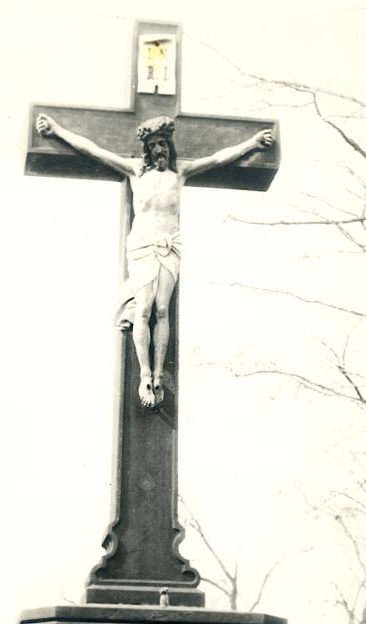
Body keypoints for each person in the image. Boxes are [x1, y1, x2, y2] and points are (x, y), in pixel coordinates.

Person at [36, 112, 274, 408]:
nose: (158, 149)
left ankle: (159, 375)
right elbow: (94, 150)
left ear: (168, 145)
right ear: (147, 149)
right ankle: (145, 375)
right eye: (153, 146)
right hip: (142, 245)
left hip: (170, 245)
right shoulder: (136, 171)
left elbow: (217, 159)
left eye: (162, 144)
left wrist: (252, 143)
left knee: (162, 310)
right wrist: (57, 130)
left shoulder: (180, 173)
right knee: (143, 308)